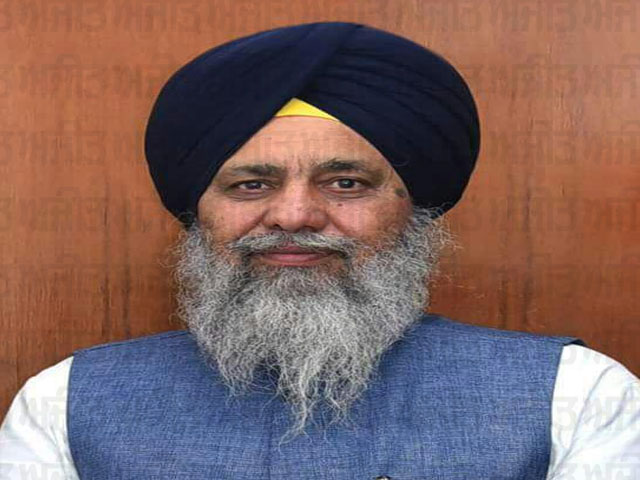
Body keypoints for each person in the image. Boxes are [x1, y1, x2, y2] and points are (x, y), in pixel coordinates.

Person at [1, 21, 638, 479]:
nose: (294, 215)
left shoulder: (579, 397)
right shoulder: (65, 401)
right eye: (251, 185)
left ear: (414, 209)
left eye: (346, 183)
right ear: (198, 212)